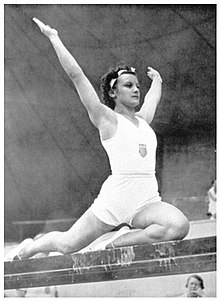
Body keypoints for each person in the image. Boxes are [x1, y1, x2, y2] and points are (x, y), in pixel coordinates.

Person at [9, 17, 190, 260]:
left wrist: (157, 81)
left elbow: (152, 100)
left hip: (146, 199)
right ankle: (29, 247)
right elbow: (76, 75)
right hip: (115, 199)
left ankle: (116, 242)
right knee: (67, 245)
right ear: (113, 92)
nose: (136, 89)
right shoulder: (106, 119)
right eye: (129, 85)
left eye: (137, 85)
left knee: (178, 227)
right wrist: (54, 38)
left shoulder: (143, 121)